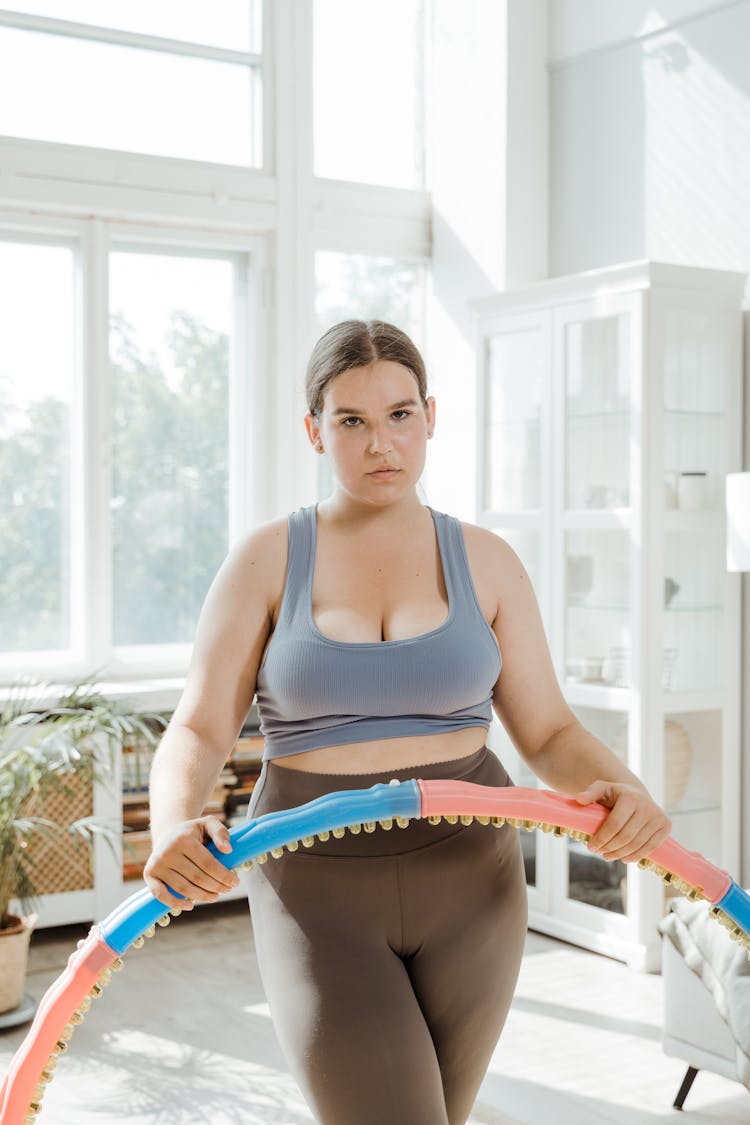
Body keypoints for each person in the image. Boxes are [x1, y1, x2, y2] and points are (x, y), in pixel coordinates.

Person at [144, 319, 670, 1125]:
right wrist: (173, 822)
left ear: (431, 415)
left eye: (399, 415)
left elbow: (551, 731)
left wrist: (629, 795)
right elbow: (197, 728)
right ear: (315, 430)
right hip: (313, 879)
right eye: (351, 420)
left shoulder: (489, 560)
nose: (379, 442)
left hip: (475, 881)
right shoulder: (265, 559)